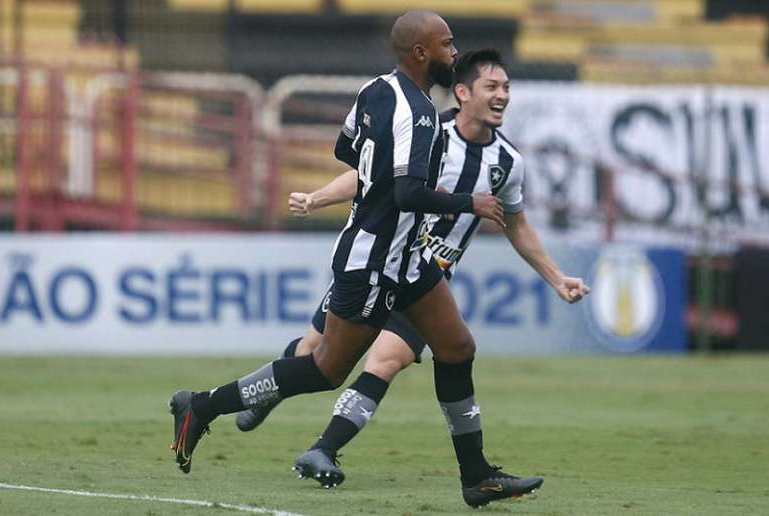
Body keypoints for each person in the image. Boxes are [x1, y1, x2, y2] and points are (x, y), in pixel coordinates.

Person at [169, 12, 557, 508]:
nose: (453, 54)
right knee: (325, 369)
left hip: (407, 256)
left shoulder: (375, 89)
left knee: (457, 347)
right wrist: (470, 203)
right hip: (372, 260)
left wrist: (381, 186)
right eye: (447, 44)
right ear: (421, 52)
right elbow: (409, 193)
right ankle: (201, 406)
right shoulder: (417, 114)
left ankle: (477, 477)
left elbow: (345, 146)